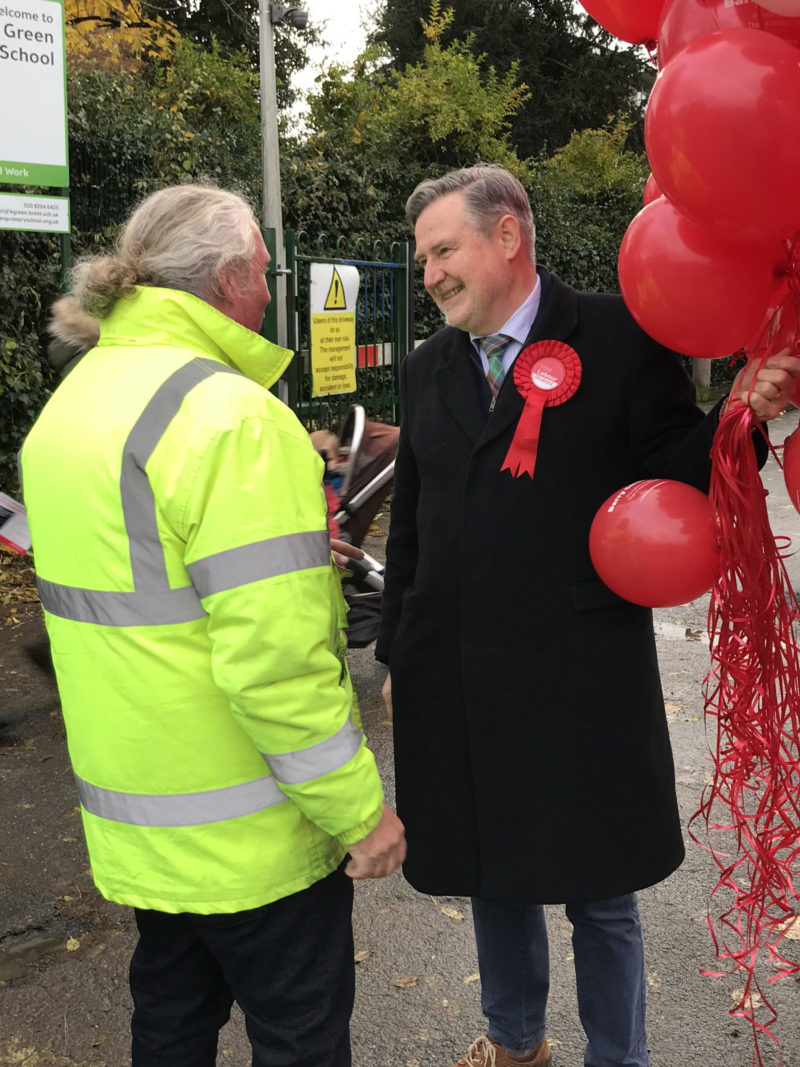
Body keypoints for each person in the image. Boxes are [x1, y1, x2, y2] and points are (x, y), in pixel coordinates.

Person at [375, 163, 799, 1067]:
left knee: (600, 892)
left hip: (580, 672)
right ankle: (516, 1040)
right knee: (492, 874)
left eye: (444, 250)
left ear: (507, 237)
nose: (432, 275)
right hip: (457, 668)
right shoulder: (426, 367)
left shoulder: (614, 335)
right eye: (423, 261)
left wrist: (739, 416)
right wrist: (396, 657)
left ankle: (620, 1056)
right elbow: (412, 522)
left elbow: (675, 470)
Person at [21, 183, 406, 1067]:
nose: (270, 292)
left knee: (170, 1025)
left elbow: (138, 590)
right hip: (256, 838)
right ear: (230, 277)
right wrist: (359, 813)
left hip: (140, 828)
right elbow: (273, 665)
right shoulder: (234, 418)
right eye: (265, 273)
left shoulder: (67, 411)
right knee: (299, 1039)